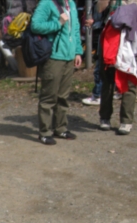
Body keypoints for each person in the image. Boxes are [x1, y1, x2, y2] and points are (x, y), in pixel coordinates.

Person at [97, 0, 137, 135]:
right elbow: (99, 10)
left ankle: (126, 121)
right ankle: (105, 118)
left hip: (131, 41)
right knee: (108, 82)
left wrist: (134, 12)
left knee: (129, 82)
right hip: (110, 40)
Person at [31, 0, 83, 145]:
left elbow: (76, 28)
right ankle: (45, 132)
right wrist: (58, 23)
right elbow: (35, 25)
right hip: (53, 56)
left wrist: (78, 51)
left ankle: (60, 128)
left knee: (63, 96)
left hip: (69, 56)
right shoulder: (47, 3)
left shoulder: (71, 4)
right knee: (49, 97)